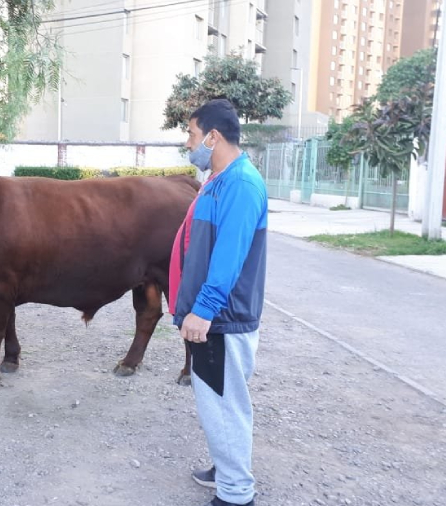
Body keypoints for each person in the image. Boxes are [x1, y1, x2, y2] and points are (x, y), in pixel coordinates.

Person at [168, 99, 268, 506]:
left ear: (212, 136)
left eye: (191, 134)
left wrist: (203, 310)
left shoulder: (241, 185)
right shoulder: (219, 179)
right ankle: (225, 468)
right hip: (212, 317)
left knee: (225, 406)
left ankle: (236, 492)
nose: (188, 142)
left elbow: (229, 257)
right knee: (218, 403)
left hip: (221, 319)